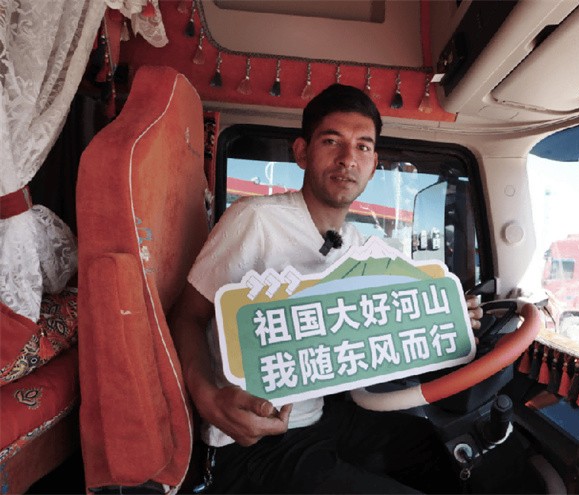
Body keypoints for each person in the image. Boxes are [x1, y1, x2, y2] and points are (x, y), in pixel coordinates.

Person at [169, 84, 483, 493]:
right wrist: (207, 399)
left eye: (363, 146)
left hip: (322, 416)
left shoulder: (359, 246)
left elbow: (389, 320)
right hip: (252, 440)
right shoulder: (256, 220)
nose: (348, 158)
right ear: (302, 152)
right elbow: (187, 316)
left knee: (433, 450)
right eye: (332, 141)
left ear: (374, 165)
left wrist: (451, 313)